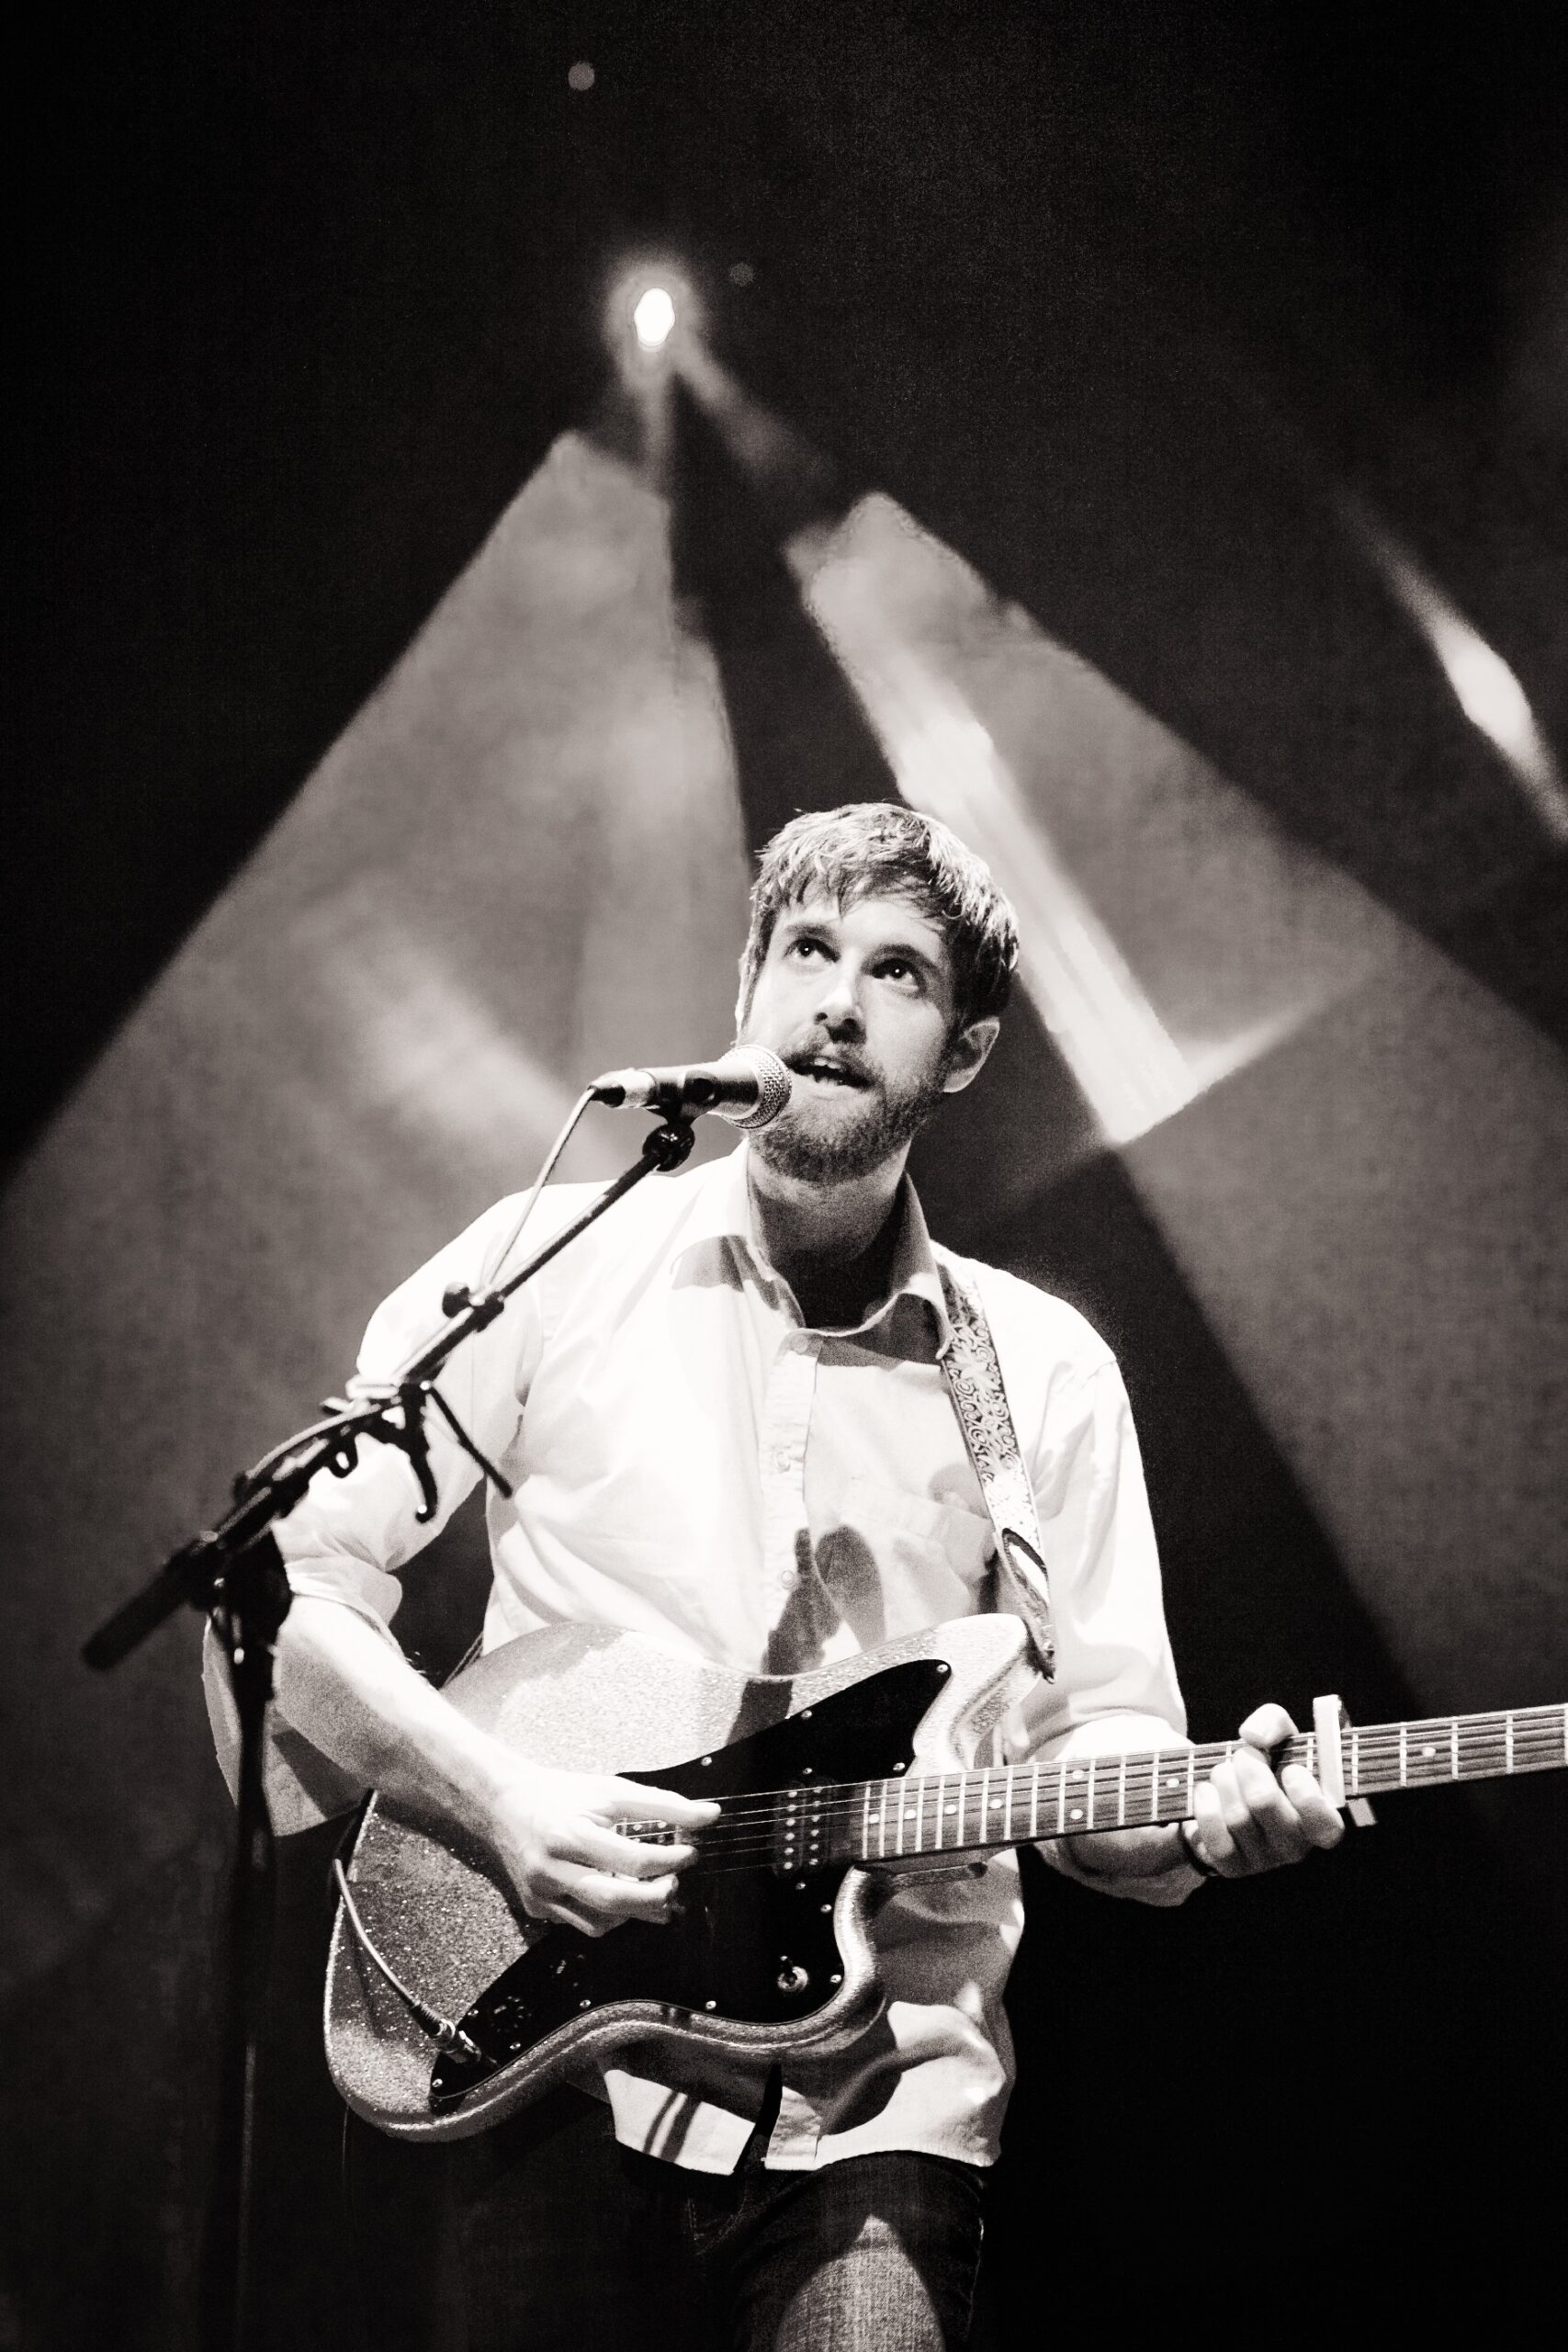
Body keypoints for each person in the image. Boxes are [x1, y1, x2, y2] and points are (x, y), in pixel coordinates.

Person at [210, 804, 1344, 2350]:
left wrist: (1204, 1820)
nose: (837, 1002)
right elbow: (292, 1579)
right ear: (748, 986)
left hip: (877, 2104)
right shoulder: (556, 1262)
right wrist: (500, 1801)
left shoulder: (1043, 1372)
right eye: (807, 950)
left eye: (897, 972)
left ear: (964, 1053)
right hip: (556, 2062)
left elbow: (1098, 1745)